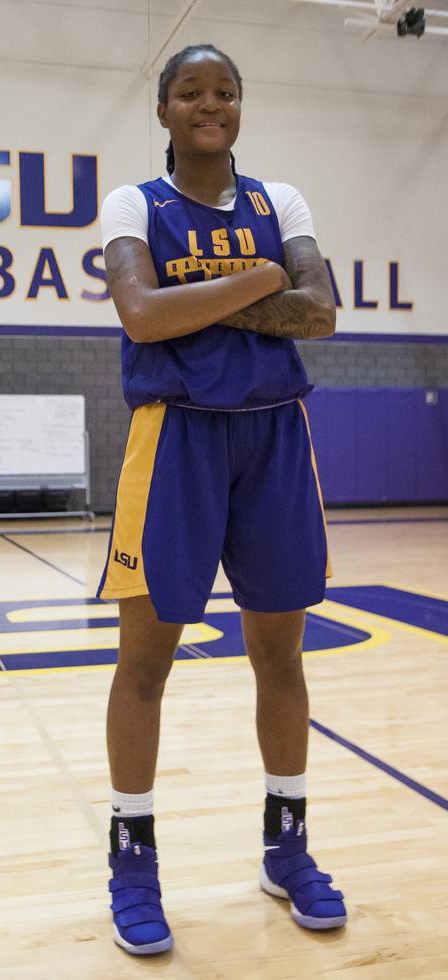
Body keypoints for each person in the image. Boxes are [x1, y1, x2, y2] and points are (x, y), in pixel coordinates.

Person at [97, 44, 346, 956]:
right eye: (192, 93)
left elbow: (322, 314)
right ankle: (132, 860)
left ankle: (287, 847)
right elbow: (141, 315)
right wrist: (263, 279)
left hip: (276, 435)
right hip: (176, 438)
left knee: (280, 655)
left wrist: (194, 295)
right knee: (146, 660)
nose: (212, 105)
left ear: (240, 105)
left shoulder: (281, 203)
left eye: (226, 92)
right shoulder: (135, 205)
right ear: (163, 109)